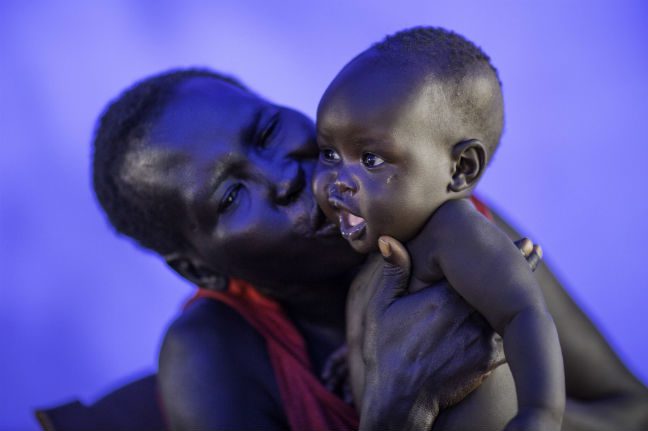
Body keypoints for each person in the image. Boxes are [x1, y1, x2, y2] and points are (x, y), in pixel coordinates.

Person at [38, 68, 645, 430]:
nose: (283, 173)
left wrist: (503, 400)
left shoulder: (441, 213)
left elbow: (633, 410)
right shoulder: (213, 356)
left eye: (270, 130)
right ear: (200, 269)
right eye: (229, 197)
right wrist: (398, 409)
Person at [313, 27, 562, 430]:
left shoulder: (455, 233)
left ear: (461, 169)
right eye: (329, 153)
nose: (339, 180)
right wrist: (356, 357)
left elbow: (524, 315)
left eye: (372, 159)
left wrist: (539, 413)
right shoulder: (382, 242)